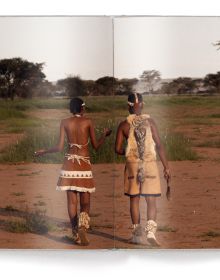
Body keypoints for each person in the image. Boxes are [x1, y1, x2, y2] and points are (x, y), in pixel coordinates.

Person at [35, 97, 111, 246]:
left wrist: (44, 151)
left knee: (71, 202)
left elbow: (58, 147)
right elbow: (95, 146)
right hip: (83, 164)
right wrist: (104, 135)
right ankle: (83, 226)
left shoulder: (65, 122)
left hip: (69, 164)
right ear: (82, 108)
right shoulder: (88, 121)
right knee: (86, 202)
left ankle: (76, 232)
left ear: (71, 109)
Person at [115, 92, 171, 246]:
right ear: (143, 105)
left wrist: (129, 151)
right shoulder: (150, 122)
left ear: (128, 106)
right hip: (150, 163)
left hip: (133, 165)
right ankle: (151, 233)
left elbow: (117, 149)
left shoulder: (124, 125)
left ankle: (137, 235)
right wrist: (166, 167)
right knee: (151, 200)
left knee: (135, 199)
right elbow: (159, 145)